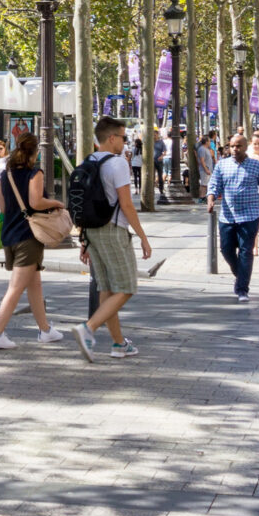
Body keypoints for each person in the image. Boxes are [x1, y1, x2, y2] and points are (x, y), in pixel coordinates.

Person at [73, 117, 151, 361]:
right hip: (113, 230)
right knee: (127, 286)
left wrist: (84, 239)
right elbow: (126, 204)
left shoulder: (89, 160)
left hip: (92, 230)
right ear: (111, 138)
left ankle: (119, 344)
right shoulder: (117, 164)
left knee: (107, 288)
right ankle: (89, 328)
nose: (125, 142)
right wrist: (143, 237)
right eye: (123, 137)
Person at [0, 132, 65, 348]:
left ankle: (45, 330)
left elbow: (2, 207)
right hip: (27, 236)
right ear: (35, 152)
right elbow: (36, 202)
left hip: (9, 234)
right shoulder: (35, 173)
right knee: (15, 288)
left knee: (35, 284)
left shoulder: (6, 174)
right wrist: (57, 203)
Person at [208, 133, 259, 303]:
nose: (235, 149)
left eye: (239, 146)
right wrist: (211, 198)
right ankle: (241, 275)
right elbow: (214, 185)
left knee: (246, 252)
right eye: (232, 146)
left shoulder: (257, 166)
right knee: (226, 249)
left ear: (246, 147)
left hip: (250, 216)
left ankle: (243, 288)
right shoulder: (222, 165)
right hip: (227, 217)